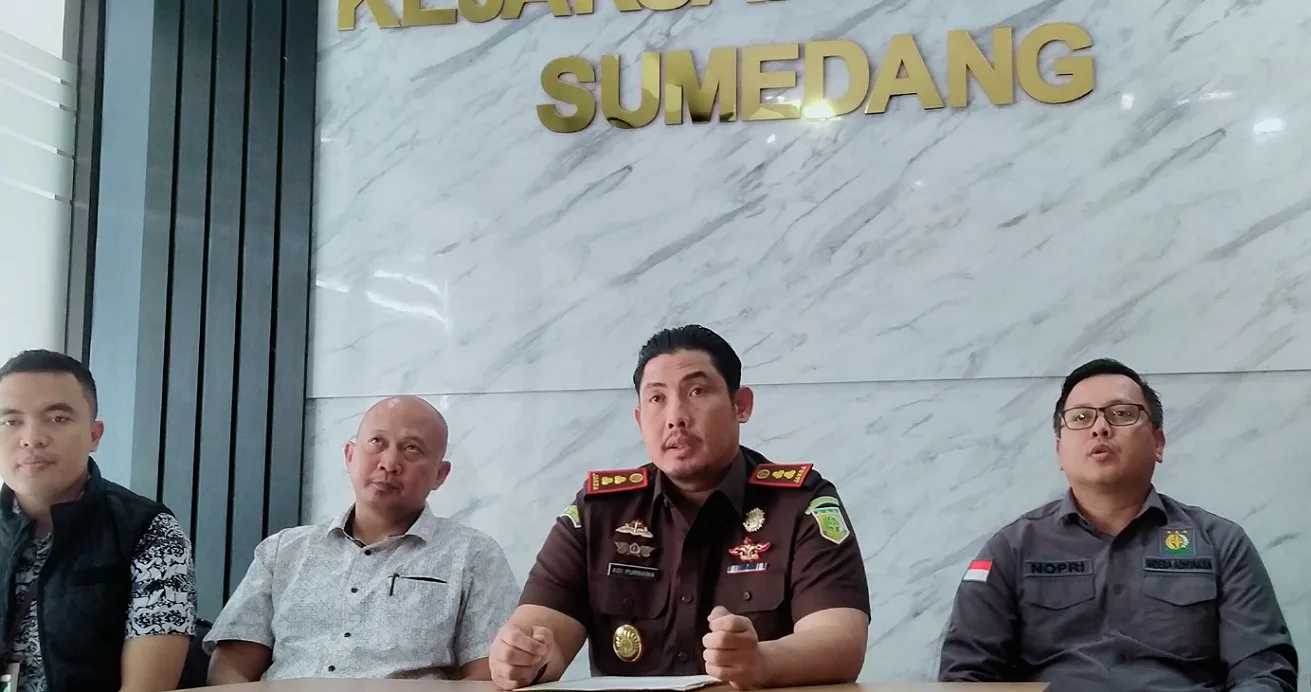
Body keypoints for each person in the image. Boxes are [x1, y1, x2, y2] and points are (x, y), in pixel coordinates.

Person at [488, 324, 871, 690]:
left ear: (741, 405)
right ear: (640, 419)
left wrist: (762, 662)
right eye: (657, 399)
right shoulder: (600, 511)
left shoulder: (800, 503)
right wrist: (523, 658)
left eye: (697, 391)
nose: (676, 418)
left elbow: (840, 641)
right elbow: (540, 630)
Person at [937, 358, 1298, 691]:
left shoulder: (1220, 543)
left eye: (1121, 413)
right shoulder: (1012, 549)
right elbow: (967, 675)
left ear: (1158, 443)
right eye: (1081, 417)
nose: (1100, 428)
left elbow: (1263, 670)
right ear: (1059, 450)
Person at [204, 395, 520, 683]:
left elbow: (487, 676)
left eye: (412, 448)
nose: (389, 463)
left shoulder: (473, 555)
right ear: (349, 455)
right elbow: (232, 668)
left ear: (440, 474)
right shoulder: (282, 551)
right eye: (377, 442)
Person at [0, 349, 196, 692]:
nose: (31, 437)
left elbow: (145, 690)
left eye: (57, 418)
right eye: (10, 421)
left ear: (94, 435)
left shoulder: (149, 531)